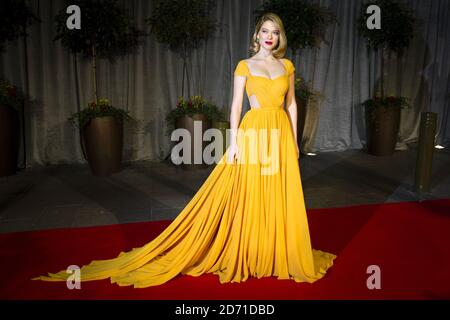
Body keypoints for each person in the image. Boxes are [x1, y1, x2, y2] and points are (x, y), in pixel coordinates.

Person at [33, 12, 336, 288]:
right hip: (254, 131)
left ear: (280, 37)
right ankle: (254, 249)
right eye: (265, 31)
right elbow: (234, 107)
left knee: (279, 192)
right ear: (256, 36)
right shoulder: (245, 66)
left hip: (281, 132)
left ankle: (277, 250)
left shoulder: (287, 65)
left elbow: (292, 104)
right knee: (253, 191)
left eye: (275, 32)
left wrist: (295, 141)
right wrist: (232, 145)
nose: (270, 36)